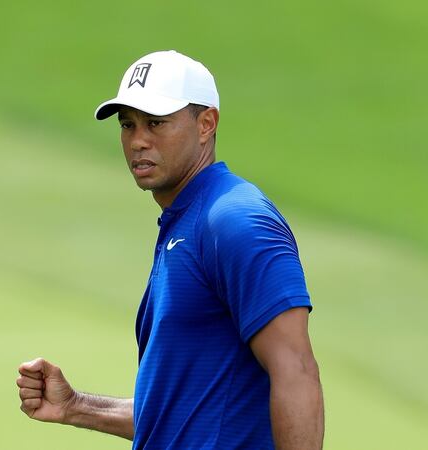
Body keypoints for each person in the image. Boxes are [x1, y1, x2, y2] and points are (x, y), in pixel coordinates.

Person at [17, 50, 324, 449]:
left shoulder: (235, 220)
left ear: (206, 124)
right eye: (128, 124)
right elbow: (185, 412)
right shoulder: (187, 221)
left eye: (156, 123)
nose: (138, 140)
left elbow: (296, 371)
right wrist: (78, 406)